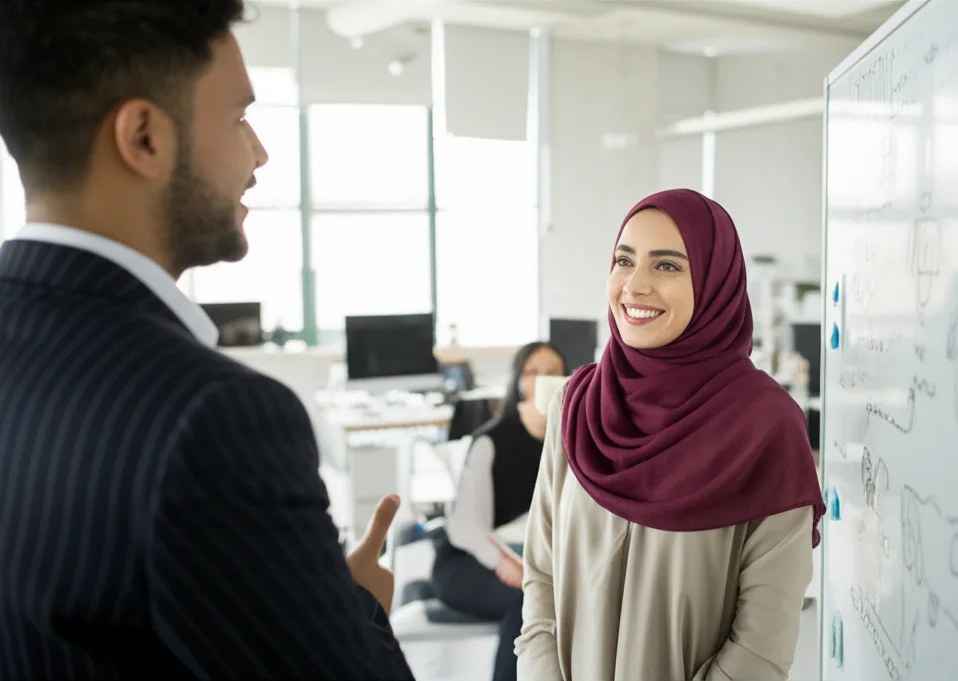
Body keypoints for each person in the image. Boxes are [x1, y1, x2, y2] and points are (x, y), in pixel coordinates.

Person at [0, 2, 413, 678]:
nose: (260, 152)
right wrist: (356, 603)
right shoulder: (215, 418)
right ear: (144, 138)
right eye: (239, 117)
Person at [515, 189, 826, 681]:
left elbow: (760, 648)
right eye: (624, 260)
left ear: (714, 284)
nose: (634, 286)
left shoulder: (768, 428)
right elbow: (541, 580)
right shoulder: (575, 406)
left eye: (667, 266)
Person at [432, 342, 566, 681]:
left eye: (552, 372)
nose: (543, 380)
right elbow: (464, 527)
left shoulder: (569, 439)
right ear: (517, 381)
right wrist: (503, 564)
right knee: (529, 605)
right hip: (470, 560)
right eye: (532, 372)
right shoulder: (491, 440)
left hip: (528, 558)